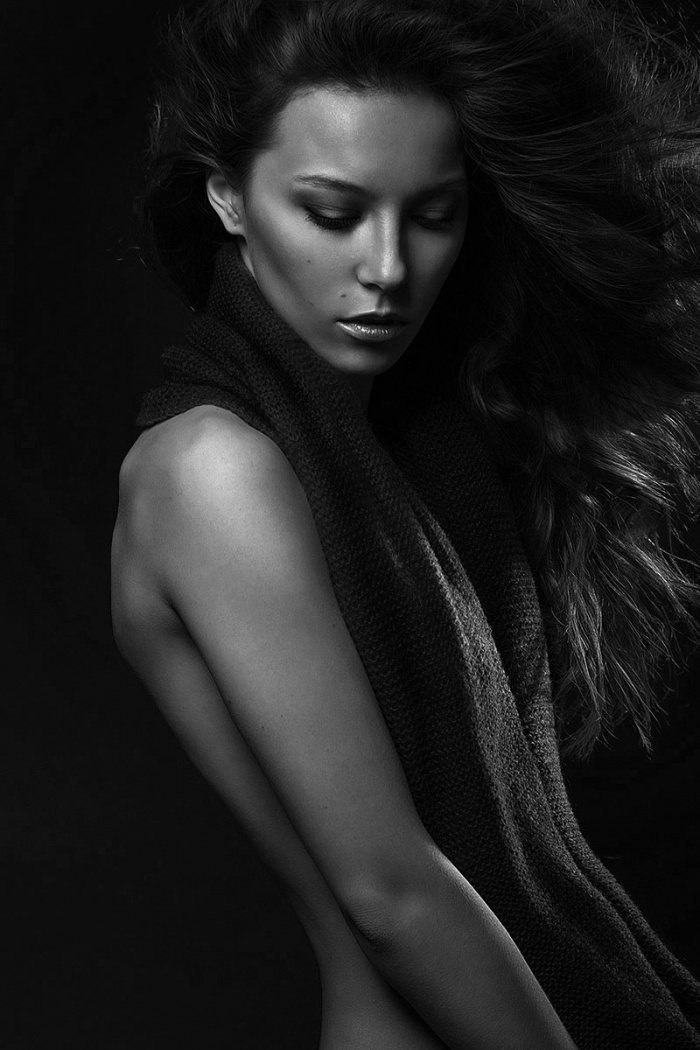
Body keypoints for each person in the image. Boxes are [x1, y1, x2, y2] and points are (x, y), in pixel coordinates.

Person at [110, 0, 700, 1046]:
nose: (387, 267)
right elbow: (388, 894)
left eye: (431, 215)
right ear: (228, 197)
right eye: (332, 213)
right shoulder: (213, 470)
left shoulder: (410, 448)